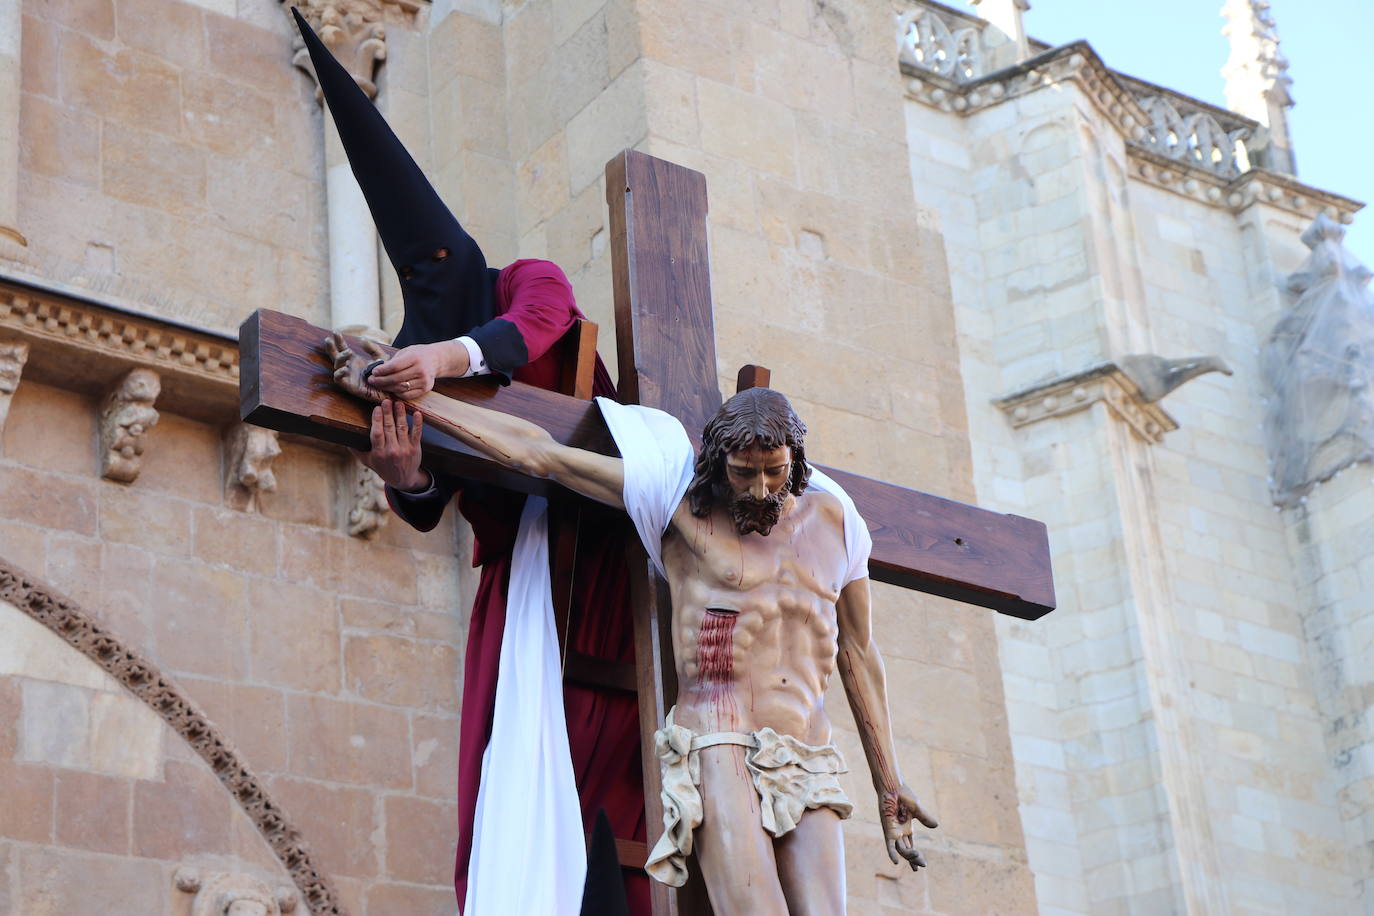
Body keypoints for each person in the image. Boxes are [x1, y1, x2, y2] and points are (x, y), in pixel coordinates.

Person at [328, 337, 940, 915]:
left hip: (808, 742)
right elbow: (537, 451)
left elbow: (857, 651)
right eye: (743, 473)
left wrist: (890, 782)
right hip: (718, 734)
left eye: (774, 472)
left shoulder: (837, 520)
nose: (759, 489)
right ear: (717, 461)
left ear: (795, 461)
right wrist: (410, 398)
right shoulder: (676, 499)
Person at [292, 12, 648, 911]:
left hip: (608, 533)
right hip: (522, 577)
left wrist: (443, 362)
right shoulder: (413, 356)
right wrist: (406, 477)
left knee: (624, 763)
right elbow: (433, 496)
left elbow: (539, 323)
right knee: (504, 779)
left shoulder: (521, 283)